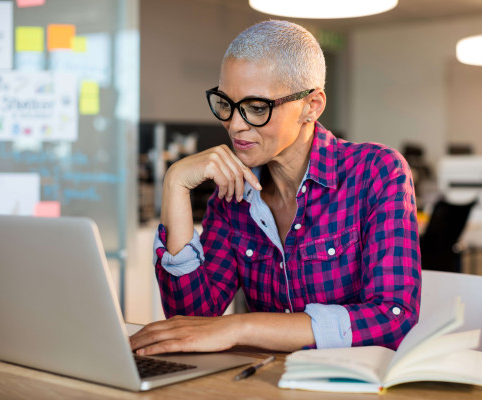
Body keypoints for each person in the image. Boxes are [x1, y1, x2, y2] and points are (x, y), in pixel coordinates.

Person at [130, 20, 421, 356]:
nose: (235, 125)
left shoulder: (375, 171)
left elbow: (393, 320)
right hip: (264, 383)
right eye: (226, 103)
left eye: (257, 108)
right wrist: (175, 183)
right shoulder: (231, 196)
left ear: (311, 106)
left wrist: (240, 326)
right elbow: (192, 322)